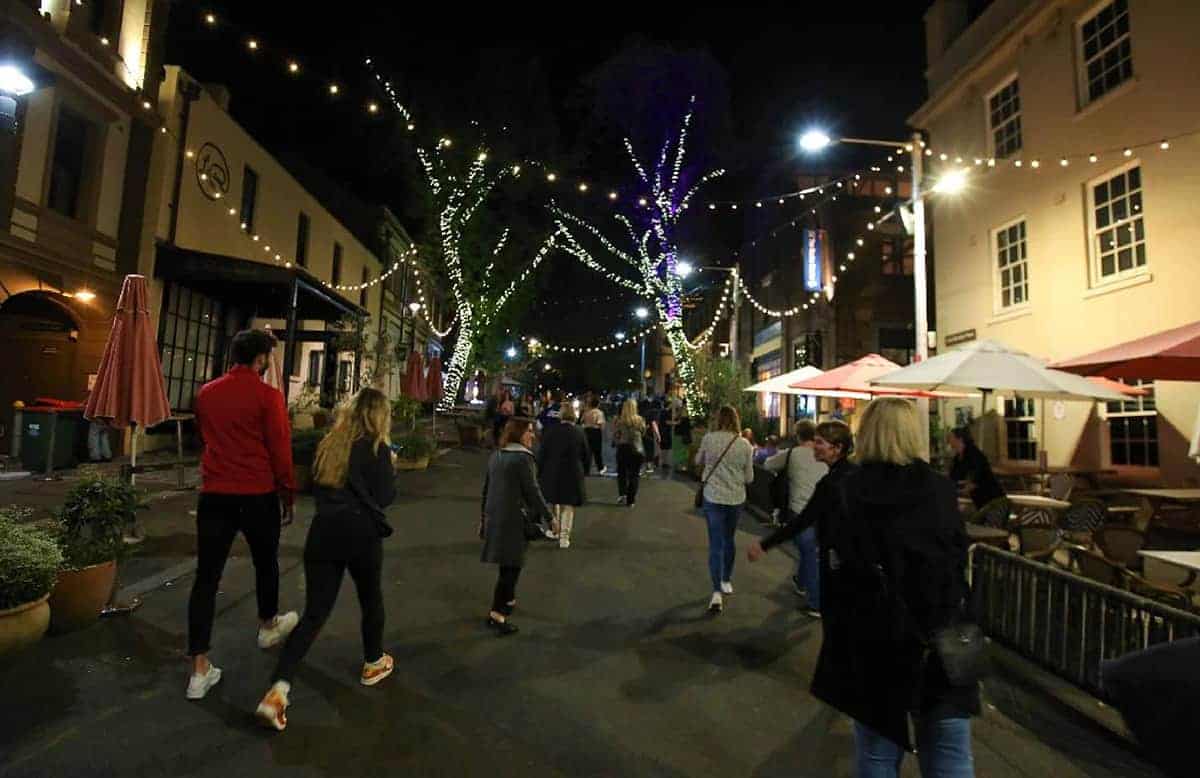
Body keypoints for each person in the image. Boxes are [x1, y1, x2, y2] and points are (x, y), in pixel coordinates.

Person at [799, 398, 979, 775]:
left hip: (875, 638)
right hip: (942, 635)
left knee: (877, 750)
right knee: (949, 749)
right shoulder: (940, 490)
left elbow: (837, 570)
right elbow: (955, 561)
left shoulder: (850, 490)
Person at [255, 388, 397, 730]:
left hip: (323, 533)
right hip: (360, 534)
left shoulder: (331, 444)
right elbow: (385, 497)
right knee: (370, 598)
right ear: (379, 415)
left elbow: (317, 487)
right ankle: (373, 661)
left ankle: (278, 690)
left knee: (315, 613)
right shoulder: (376, 448)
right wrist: (389, 467)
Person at [186, 329, 298, 701]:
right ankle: (267, 624)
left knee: (206, 577)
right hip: (256, 492)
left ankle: (199, 668)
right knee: (265, 561)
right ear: (261, 358)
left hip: (215, 493)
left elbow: (206, 436)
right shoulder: (268, 397)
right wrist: (288, 492)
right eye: (269, 356)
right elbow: (280, 449)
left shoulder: (207, 393)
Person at [748, 419, 856, 619]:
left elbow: (803, 520)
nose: (814, 446)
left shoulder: (832, 482)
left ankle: (815, 601)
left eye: (820, 442)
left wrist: (765, 544)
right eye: (815, 441)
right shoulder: (851, 474)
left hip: (840, 560)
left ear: (837, 448)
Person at [480, 418, 554, 635]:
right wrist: (550, 517)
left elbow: (487, 489)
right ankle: (497, 613)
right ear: (518, 435)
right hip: (514, 520)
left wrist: (483, 518)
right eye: (528, 432)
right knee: (511, 568)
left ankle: (508, 600)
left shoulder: (497, 455)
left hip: (496, 517)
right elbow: (533, 491)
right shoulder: (523, 459)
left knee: (507, 564)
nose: (532, 435)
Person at [694, 405, 755, 614]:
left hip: (712, 496)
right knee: (729, 540)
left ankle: (716, 592)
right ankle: (726, 579)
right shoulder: (745, 444)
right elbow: (749, 478)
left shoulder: (709, 439)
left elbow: (697, 461)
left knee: (715, 544)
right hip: (736, 498)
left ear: (718, 419)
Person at [762, 421, 828, 606]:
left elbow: (767, 465)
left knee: (809, 553)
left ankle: (815, 602)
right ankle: (801, 581)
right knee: (811, 551)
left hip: (798, 510)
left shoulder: (792, 454)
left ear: (798, 436)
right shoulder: (824, 453)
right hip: (823, 511)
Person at [537, 404, 589, 548]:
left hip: (552, 470)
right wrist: (585, 470)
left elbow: (542, 453)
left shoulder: (551, 431)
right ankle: (564, 538)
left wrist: (539, 470)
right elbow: (586, 454)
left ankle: (555, 530)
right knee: (568, 506)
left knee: (554, 502)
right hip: (573, 471)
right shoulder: (579, 432)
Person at [948, 426, 1004, 509]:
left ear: (959, 439)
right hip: (980, 502)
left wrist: (965, 487)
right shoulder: (958, 458)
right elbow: (953, 478)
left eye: (951, 437)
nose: (948, 440)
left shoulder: (974, 453)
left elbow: (976, 477)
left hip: (993, 501)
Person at [612, 399, 647, 507]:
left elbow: (616, 435)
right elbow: (643, 432)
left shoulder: (618, 420)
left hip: (623, 449)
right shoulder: (640, 420)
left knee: (622, 473)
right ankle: (631, 500)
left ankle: (622, 494)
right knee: (634, 475)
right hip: (636, 449)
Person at [582, 396, 607, 475]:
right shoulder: (599, 412)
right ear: (598, 404)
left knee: (587, 451)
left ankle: (586, 469)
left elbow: (582, 421)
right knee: (597, 451)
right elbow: (601, 424)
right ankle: (600, 468)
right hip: (596, 432)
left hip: (586, 431)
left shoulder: (586, 412)